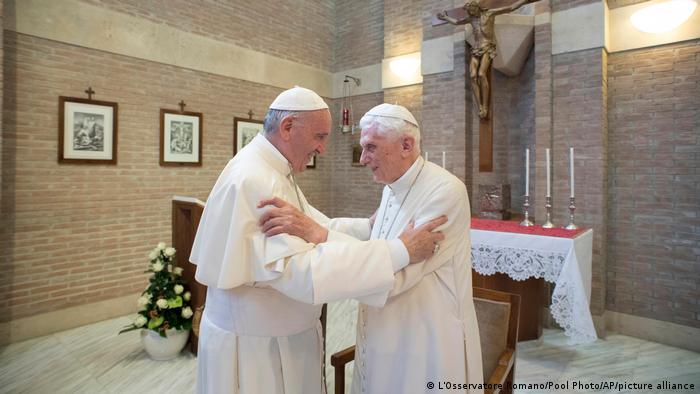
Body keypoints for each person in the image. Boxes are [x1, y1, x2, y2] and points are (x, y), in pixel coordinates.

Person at [189, 87, 446, 394]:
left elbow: (310, 225)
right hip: (259, 348)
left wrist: (367, 228)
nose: (323, 149)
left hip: (272, 335)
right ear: (287, 128)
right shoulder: (258, 179)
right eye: (320, 136)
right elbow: (303, 272)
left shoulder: (269, 169)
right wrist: (399, 251)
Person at [260, 103, 484, 394]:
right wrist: (310, 225)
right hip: (384, 332)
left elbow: (395, 278)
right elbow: (373, 233)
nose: (363, 158)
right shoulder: (393, 185)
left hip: (426, 339)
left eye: (371, 147)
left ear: (406, 145)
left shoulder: (444, 192)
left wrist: (319, 233)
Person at [438, 0, 531, 119]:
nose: (472, 14)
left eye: (473, 11)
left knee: (481, 74)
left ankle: (485, 106)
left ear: (477, 8)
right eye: (470, 12)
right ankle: (480, 107)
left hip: (487, 47)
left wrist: (523, 1)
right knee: (472, 76)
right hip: (476, 50)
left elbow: (510, 7)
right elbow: (457, 22)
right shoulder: (471, 19)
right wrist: (445, 17)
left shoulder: (490, 13)